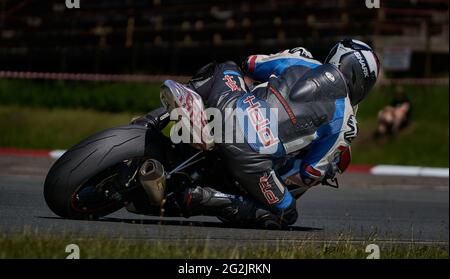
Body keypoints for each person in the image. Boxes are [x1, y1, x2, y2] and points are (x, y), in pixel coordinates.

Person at [145, 38, 380, 229]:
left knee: (226, 68)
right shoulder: (346, 122)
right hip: (252, 158)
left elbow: (251, 63)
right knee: (285, 214)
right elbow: (310, 171)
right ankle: (202, 197)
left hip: (229, 107)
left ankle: (156, 117)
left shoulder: (301, 59)